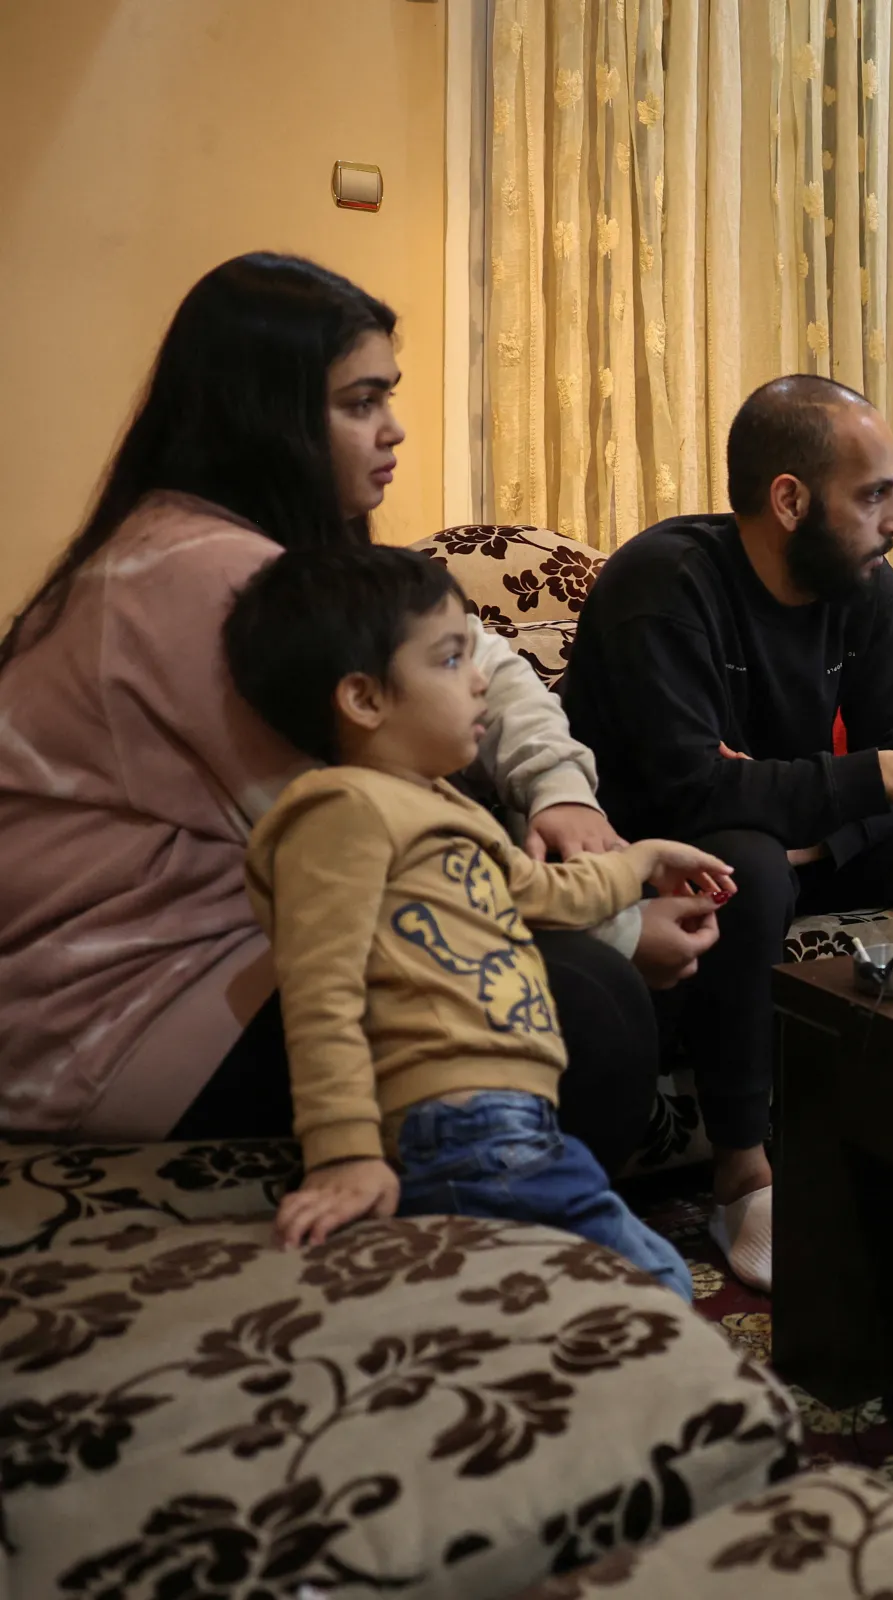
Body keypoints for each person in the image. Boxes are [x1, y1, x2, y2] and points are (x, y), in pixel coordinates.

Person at [0, 253, 717, 1172]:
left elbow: (487, 662)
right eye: (360, 403)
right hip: (110, 1014)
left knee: (588, 977)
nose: (395, 430)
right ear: (270, 418)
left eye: (389, 396)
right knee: (578, 1006)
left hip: (234, 946)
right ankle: (485, 1282)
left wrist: (557, 792)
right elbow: (373, 850)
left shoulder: (267, 552)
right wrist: (618, 928)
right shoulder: (198, 580)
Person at [562, 375, 893, 1288]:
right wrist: (857, 789)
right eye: (874, 494)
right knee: (744, 863)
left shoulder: (856, 580)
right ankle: (744, 1173)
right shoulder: (664, 585)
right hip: (663, 861)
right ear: (789, 499)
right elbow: (691, 791)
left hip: (804, 839)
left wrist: (835, 817)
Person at [223, 545, 731, 1294]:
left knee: (534, 1297)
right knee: (651, 1284)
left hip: (518, 1118)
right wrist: (343, 1152)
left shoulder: (446, 806)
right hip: (459, 1125)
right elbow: (319, 988)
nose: (480, 677)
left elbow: (542, 893)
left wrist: (640, 860)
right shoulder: (337, 811)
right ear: (364, 700)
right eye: (451, 658)